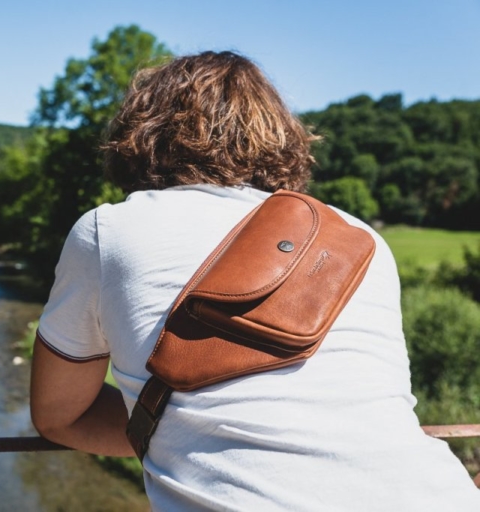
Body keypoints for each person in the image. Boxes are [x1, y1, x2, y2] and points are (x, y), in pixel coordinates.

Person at [29, 51, 480, 511]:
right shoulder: (361, 239)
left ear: (141, 134)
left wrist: (185, 433)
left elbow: (61, 415)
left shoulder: (109, 231)